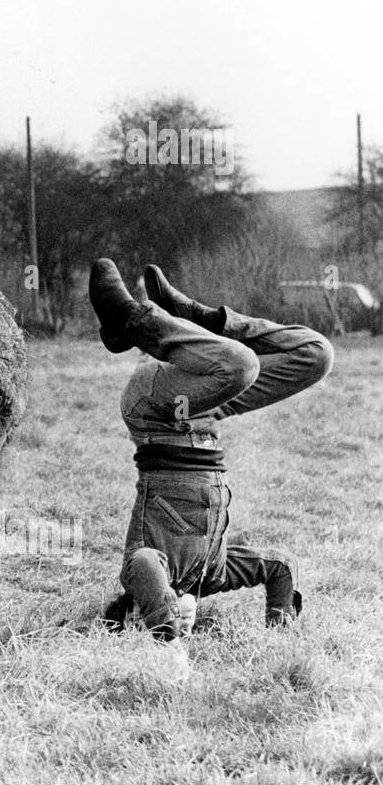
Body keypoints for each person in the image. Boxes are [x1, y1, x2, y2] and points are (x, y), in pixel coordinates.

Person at [89, 259, 334, 642]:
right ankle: (203, 319)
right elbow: (279, 567)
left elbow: (144, 571)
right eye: (186, 627)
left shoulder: (146, 566)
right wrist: (280, 630)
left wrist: (166, 631)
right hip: (200, 410)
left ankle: (131, 321)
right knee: (316, 355)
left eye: (141, 618)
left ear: (137, 607)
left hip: (156, 414)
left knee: (240, 365)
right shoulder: (213, 575)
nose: (184, 624)